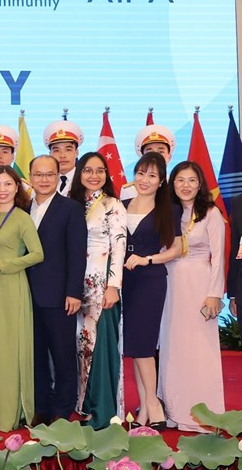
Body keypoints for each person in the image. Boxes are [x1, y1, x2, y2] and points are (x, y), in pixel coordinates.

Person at [160, 161, 225, 432]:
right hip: (170, 286)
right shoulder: (166, 213)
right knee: (173, 349)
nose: (185, 186)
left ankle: (205, 415)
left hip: (200, 285)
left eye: (192, 180)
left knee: (200, 351)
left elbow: (219, 255)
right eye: (180, 180)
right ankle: (175, 411)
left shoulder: (210, 213)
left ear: (200, 185)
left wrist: (214, 294)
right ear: (172, 184)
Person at [0, 165, 44, 431]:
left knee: (9, 352)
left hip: (12, 288)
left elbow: (37, 254)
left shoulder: (21, 218)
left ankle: (9, 415)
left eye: (8, 184)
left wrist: (4, 264)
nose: (2, 190)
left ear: (17, 187)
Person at [122, 152, 182, 429]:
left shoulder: (169, 209)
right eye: (141, 173)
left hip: (150, 279)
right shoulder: (120, 205)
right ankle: (145, 407)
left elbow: (177, 248)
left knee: (144, 345)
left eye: (152, 175)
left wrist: (147, 259)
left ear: (161, 181)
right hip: (123, 281)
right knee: (133, 345)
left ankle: (155, 404)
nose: (145, 180)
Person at [25, 155, 87, 425]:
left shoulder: (70, 208)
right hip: (26, 296)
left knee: (62, 356)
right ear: (30, 177)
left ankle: (62, 411)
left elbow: (77, 254)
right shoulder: (21, 208)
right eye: (38, 174)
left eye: (49, 174)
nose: (43, 179)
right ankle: (41, 407)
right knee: (35, 355)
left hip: (60, 296)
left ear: (58, 176)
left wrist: (73, 292)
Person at [68, 152, 126, 429]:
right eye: (88, 170)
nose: (94, 176)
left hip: (102, 285)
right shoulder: (72, 204)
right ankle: (82, 407)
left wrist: (114, 286)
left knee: (100, 349)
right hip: (74, 285)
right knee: (81, 346)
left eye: (100, 171)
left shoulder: (112, 205)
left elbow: (119, 247)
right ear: (79, 173)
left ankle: (102, 411)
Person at [120, 124, 175, 201]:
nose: (155, 156)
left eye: (161, 151)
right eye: (150, 152)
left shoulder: (176, 185)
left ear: (169, 157)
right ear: (142, 158)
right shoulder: (129, 190)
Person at [43, 120, 83, 197]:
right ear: (50, 155)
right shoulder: (42, 182)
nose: (62, 155)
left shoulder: (85, 181)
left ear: (76, 152)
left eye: (68, 150)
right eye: (56, 150)